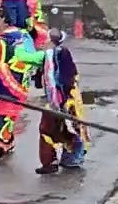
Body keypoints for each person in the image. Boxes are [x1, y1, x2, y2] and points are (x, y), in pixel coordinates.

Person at [0, 7, 45, 158]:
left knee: (8, 111)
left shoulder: (20, 36)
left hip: (15, 80)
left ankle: (2, 141)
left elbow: (29, 56)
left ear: (4, 20)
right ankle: (6, 138)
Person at [36, 28, 89, 174]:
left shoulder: (53, 55)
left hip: (60, 100)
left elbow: (25, 57)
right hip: (66, 99)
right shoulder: (60, 53)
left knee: (48, 129)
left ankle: (50, 162)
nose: (42, 43)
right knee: (67, 128)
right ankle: (69, 157)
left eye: (44, 40)